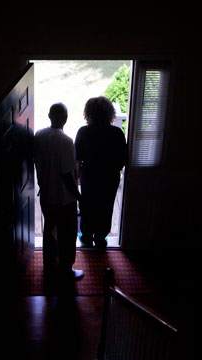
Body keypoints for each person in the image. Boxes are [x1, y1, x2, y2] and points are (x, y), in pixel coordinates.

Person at [34, 103, 84, 280]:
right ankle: (65, 269)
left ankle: (49, 266)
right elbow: (67, 175)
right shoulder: (66, 141)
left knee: (50, 231)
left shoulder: (39, 135)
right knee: (67, 235)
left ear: (49, 116)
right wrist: (79, 197)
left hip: (46, 195)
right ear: (65, 118)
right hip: (64, 199)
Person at [75, 96, 128, 251]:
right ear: (109, 113)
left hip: (89, 175)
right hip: (110, 177)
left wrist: (77, 176)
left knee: (87, 205)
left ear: (89, 113)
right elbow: (123, 159)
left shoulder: (83, 132)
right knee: (106, 206)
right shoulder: (117, 133)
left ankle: (86, 235)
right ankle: (100, 236)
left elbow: (77, 159)